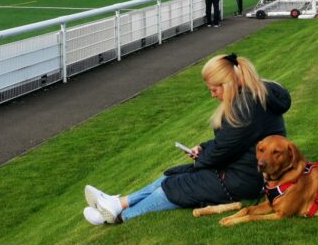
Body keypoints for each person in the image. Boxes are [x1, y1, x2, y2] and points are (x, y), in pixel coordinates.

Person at [83, 53, 291, 225]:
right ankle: (116, 204)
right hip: (244, 171)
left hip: (246, 180)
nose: (212, 95)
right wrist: (202, 148)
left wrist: (201, 158)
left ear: (227, 84)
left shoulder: (245, 107)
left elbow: (223, 150)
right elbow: (234, 143)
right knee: (174, 176)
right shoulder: (252, 96)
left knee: (175, 187)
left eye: (214, 90)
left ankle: (119, 216)